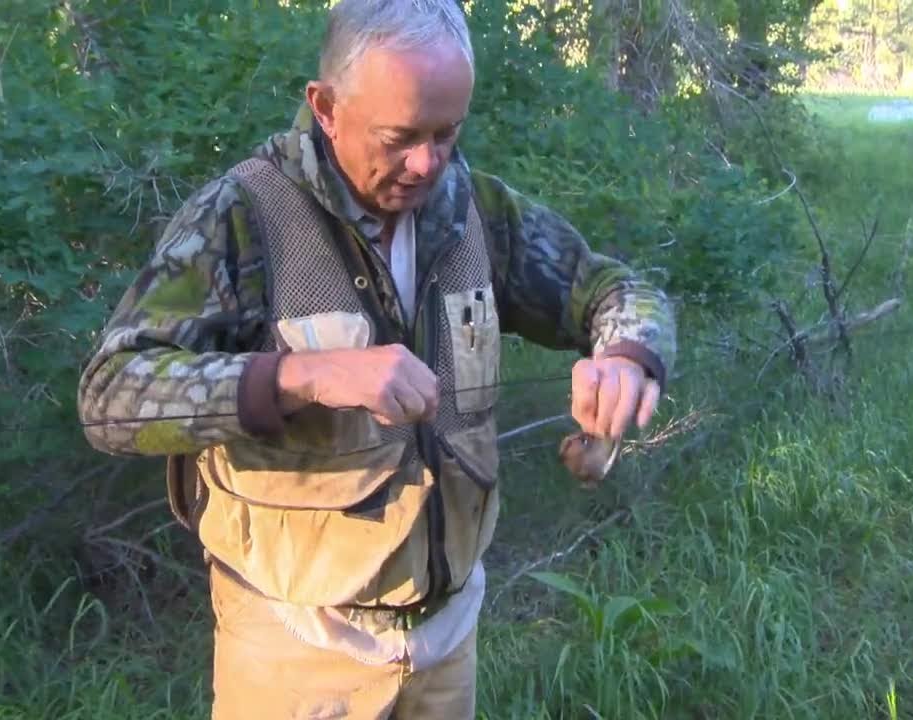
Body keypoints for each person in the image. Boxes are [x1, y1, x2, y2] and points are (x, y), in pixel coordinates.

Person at [76, 0, 676, 717]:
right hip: (295, 648)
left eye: (446, 134)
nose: (427, 163)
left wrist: (626, 356)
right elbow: (111, 395)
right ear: (325, 108)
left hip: (447, 637)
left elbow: (615, 288)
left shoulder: (474, 212)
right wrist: (301, 376)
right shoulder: (243, 217)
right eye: (400, 137)